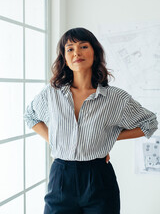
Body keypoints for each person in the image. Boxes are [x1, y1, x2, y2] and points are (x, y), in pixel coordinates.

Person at [23, 27, 158, 214]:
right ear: (64, 58)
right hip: (61, 178)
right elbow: (30, 116)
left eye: (83, 46)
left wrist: (104, 138)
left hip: (99, 178)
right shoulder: (51, 94)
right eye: (69, 49)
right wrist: (56, 139)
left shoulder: (115, 98)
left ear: (95, 52)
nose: (76, 52)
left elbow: (150, 123)